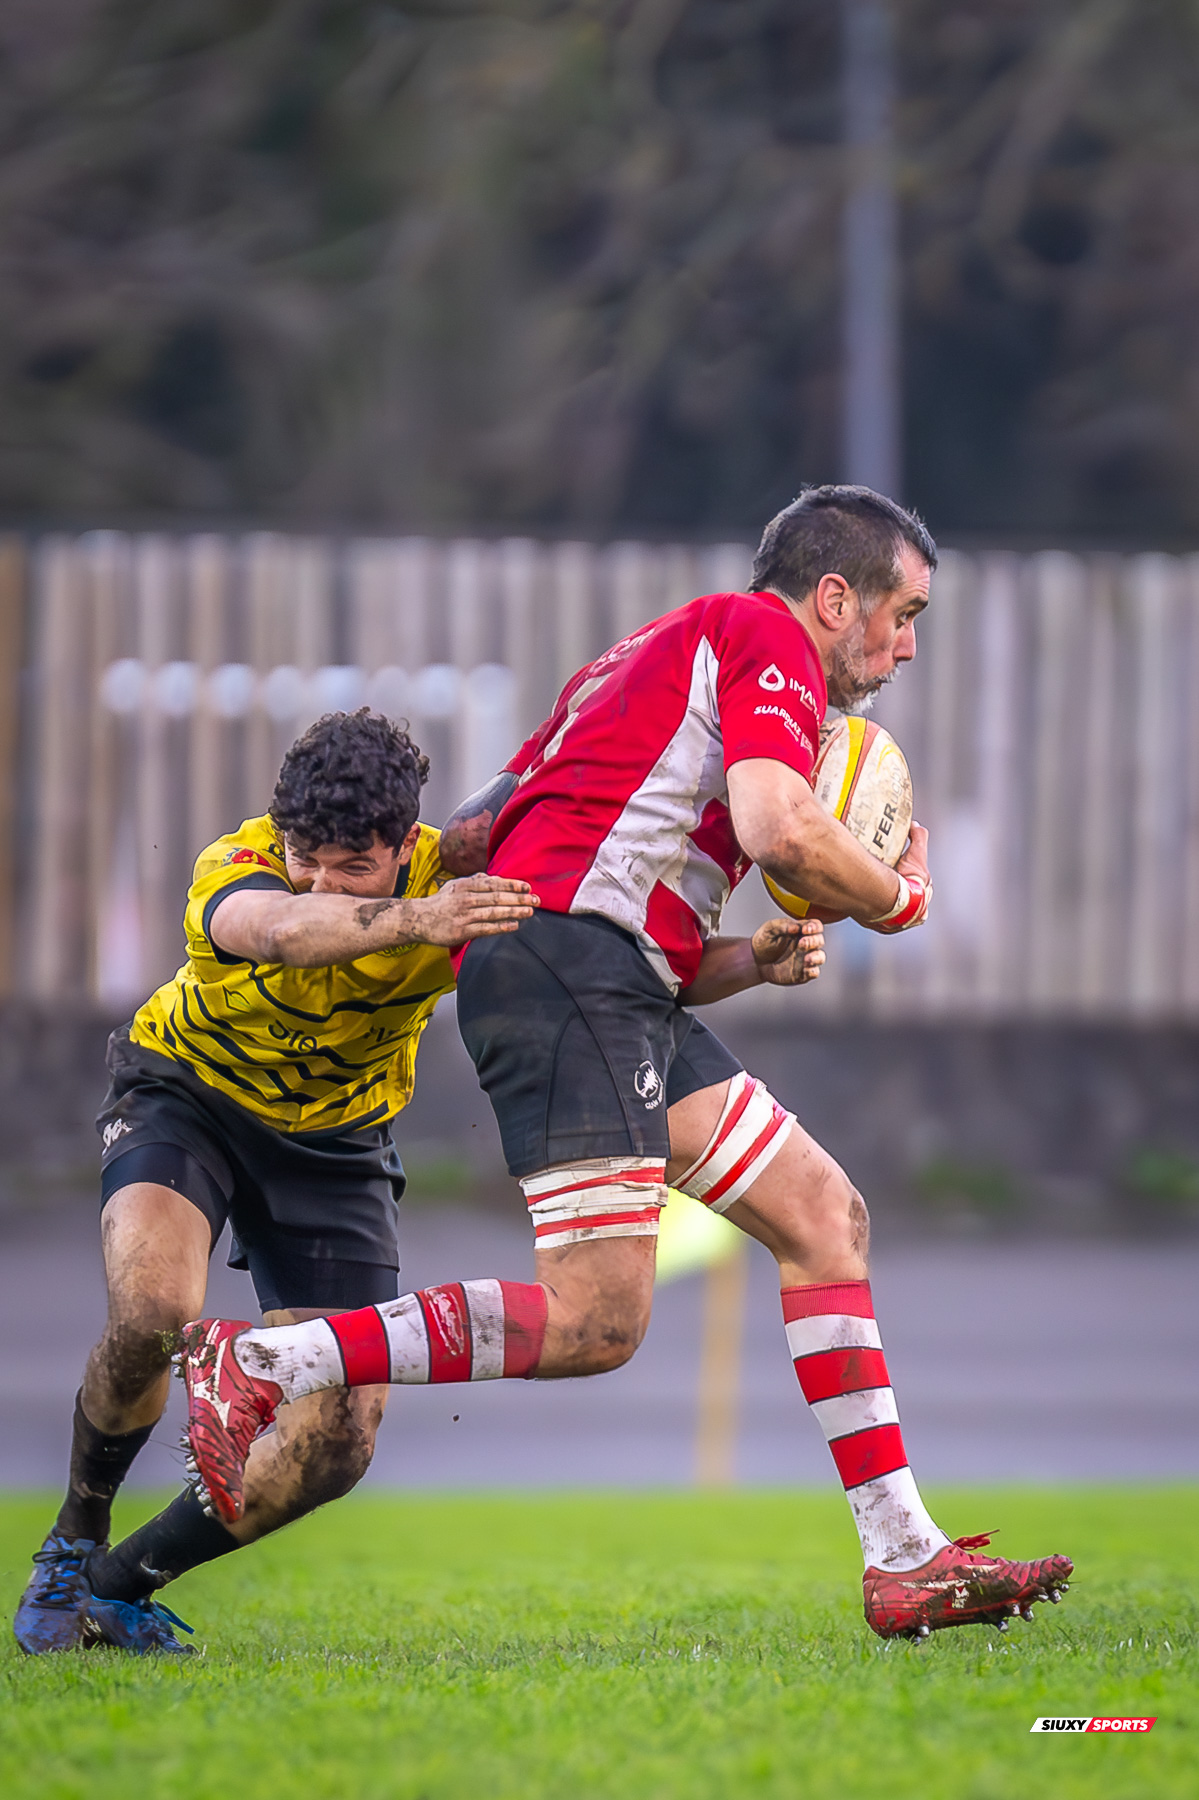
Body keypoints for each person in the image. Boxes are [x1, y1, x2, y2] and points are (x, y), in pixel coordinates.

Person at [178, 487, 1072, 1640]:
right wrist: (898, 896)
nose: (903, 646)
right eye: (901, 614)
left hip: (604, 977)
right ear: (832, 596)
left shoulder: (639, 659)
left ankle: (903, 1555)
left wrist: (747, 954)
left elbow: (525, 835)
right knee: (598, 1323)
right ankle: (263, 1357)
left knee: (822, 1216)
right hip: (569, 971)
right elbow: (777, 829)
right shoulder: (760, 637)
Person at [13, 709, 539, 1655]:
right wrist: (421, 917)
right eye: (307, 855)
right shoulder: (235, 867)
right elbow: (289, 929)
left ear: (406, 842)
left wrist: (749, 961)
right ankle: (71, 1537)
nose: (321, 880)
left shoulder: (450, 871)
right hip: (187, 1096)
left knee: (338, 1441)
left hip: (337, 1146)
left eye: (353, 865)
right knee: (151, 1314)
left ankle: (113, 1586)